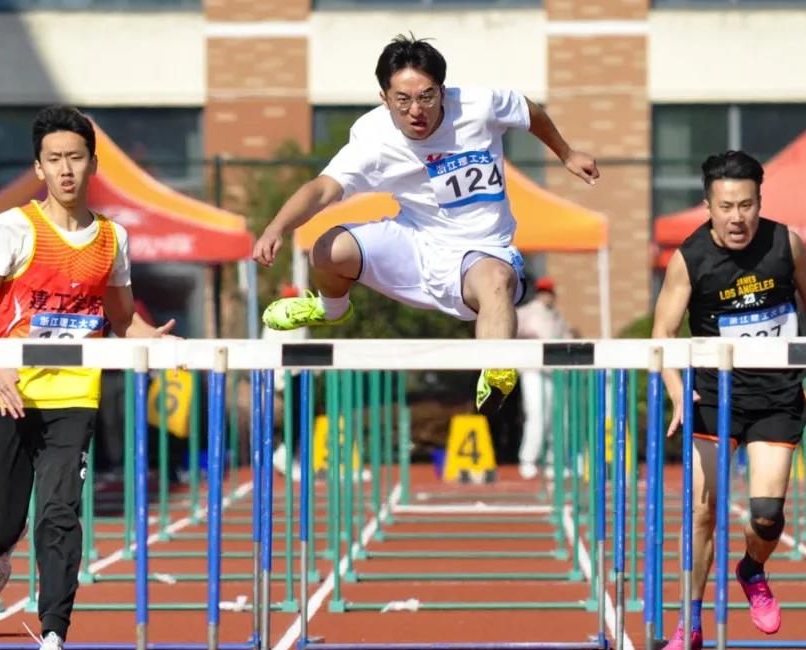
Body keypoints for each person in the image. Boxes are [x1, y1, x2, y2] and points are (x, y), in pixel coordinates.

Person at [251, 34, 598, 416]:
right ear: (385, 98)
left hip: (482, 252)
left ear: (443, 91)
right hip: (414, 243)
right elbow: (321, 189)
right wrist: (275, 228)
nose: (416, 110)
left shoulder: (478, 105)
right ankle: (331, 309)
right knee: (327, 248)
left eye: (427, 97)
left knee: (497, 280)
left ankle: (497, 370)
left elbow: (528, 111)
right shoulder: (372, 138)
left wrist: (566, 153)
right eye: (403, 100)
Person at [0, 106, 175, 650]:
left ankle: (52, 645)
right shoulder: (14, 227)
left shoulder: (112, 238)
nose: (65, 169)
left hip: (74, 394)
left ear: (92, 165)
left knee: (60, 514)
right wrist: (1, 364)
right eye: (54, 159)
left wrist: (152, 339)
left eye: (75, 158)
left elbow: (121, 320)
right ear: (38, 167)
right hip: (6, 392)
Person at [650, 150, 806, 650]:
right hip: (712, 396)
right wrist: (676, 389)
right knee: (702, 512)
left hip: (775, 395)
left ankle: (752, 569)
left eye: (746, 205)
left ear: (760, 202)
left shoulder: (786, 243)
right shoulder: (689, 258)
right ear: (708, 206)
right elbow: (663, 332)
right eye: (726, 207)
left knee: (767, 515)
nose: (737, 218)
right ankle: (689, 623)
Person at [515, 276, 572, 479]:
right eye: (543, 292)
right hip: (533, 370)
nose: (546, 296)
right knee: (537, 416)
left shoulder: (557, 316)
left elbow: (567, 338)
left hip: (555, 372)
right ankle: (528, 459)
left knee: (558, 418)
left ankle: (554, 460)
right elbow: (512, 331)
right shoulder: (526, 312)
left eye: (549, 292)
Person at [261, 284, 309, 476]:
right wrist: (277, 378)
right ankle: (284, 454)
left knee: (296, 416)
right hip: (285, 374)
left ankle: (287, 454)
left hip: (295, 373)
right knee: (292, 416)